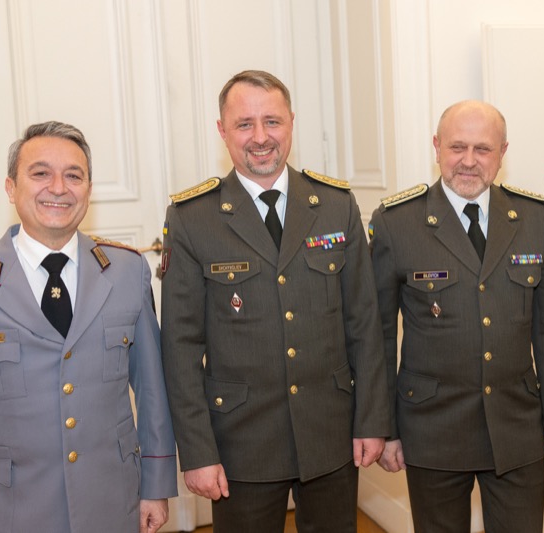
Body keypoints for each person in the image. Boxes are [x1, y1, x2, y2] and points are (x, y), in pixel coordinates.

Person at [160, 70, 390, 533]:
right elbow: (180, 348)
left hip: (330, 432)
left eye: (272, 121)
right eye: (244, 124)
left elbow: (364, 324)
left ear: (291, 123)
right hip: (241, 443)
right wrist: (198, 452)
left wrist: (371, 420)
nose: (261, 137)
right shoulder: (192, 218)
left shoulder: (335, 204)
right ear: (222, 130)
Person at [369, 100, 544, 533]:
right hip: (432, 429)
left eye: (482, 149)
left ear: (502, 152)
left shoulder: (534, 218)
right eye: (457, 147)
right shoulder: (397, 223)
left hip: (516, 425)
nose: (468, 161)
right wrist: (385, 429)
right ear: (436, 147)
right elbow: (378, 337)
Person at [0, 121, 177, 532]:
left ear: (89, 190)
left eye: (74, 176)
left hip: (110, 501)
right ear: (10, 188)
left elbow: (152, 390)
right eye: (40, 173)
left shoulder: (127, 271)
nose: (59, 188)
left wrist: (156, 485)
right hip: (6, 510)